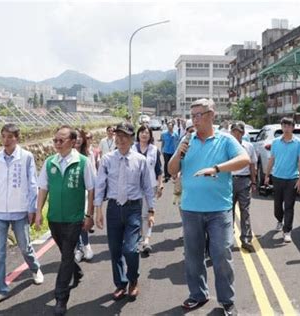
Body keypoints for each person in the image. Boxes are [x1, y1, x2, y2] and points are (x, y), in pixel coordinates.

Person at [168, 99, 250, 315]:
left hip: (219, 210)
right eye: (192, 115)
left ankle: (226, 299)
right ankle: (198, 294)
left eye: (199, 115)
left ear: (211, 115)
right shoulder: (187, 140)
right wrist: (179, 153)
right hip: (190, 209)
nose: (194, 119)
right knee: (193, 255)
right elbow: (171, 169)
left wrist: (217, 168)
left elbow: (245, 159)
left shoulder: (225, 140)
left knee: (221, 253)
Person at [35, 126, 96, 316]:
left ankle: (61, 297)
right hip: (54, 218)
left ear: (72, 141)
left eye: (61, 141)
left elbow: (92, 190)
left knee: (67, 254)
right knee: (66, 254)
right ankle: (76, 272)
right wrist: (38, 213)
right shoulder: (49, 163)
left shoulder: (83, 162)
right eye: (55, 141)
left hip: (74, 218)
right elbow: (43, 189)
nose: (57, 144)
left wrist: (89, 215)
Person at [94, 122, 155, 301]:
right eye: (117, 136)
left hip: (133, 208)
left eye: (124, 136)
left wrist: (151, 210)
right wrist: (98, 210)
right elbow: (100, 186)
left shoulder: (140, 160)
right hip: (113, 208)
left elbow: (147, 187)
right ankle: (120, 284)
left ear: (131, 139)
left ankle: (133, 279)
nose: (120, 139)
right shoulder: (107, 159)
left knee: (130, 249)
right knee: (114, 250)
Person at [0, 123, 43, 307]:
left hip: (20, 211)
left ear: (17, 138)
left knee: (25, 246)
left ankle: (35, 268)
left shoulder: (26, 157)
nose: (6, 140)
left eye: (10, 137)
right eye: (3, 136)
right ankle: (1, 289)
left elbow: (33, 183)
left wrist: (32, 208)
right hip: (1, 211)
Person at [264, 117, 300, 243]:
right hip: (277, 177)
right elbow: (271, 159)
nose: (286, 128)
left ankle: (287, 231)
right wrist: (267, 175)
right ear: (281, 127)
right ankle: (279, 220)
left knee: (289, 206)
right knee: (277, 205)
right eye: (284, 126)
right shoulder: (276, 142)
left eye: (289, 126)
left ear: (293, 127)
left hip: (292, 178)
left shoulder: (299, 143)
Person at [132, 125, 164, 255]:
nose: (144, 135)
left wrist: (160, 184)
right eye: (142, 132)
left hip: (150, 185)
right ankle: (137, 238)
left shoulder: (154, 150)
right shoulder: (132, 148)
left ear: (150, 136)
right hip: (134, 186)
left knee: (148, 214)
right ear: (138, 134)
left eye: (147, 133)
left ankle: (146, 241)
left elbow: (158, 169)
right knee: (136, 214)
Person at [230, 122, 258, 252]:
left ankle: (246, 238)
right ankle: (228, 238)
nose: (236, 135)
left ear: (242, 133)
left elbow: (252, 165)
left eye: (239, 132)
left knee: (245, 211)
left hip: (244, 181)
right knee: (227, 211)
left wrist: (253, 182)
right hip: (229, 181)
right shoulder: (226, 147)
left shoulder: (249, 147)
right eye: (234, 132)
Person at [74, 129, 97, 262]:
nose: (77, 140)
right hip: (72, 194)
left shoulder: (88, 154)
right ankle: (79, 247)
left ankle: (86, 245)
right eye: (75, 137)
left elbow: (93, 175)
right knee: (74, 221)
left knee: (83, 219)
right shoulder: (65, 155)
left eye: (80, 137)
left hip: (85, 192)